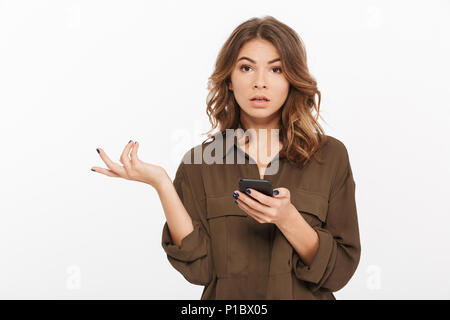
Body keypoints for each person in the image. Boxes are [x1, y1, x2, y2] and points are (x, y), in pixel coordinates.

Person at [91, 15, 361, 300]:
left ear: (292, 79)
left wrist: (288, 219)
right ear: (229, 80)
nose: (260, 83)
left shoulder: (329, 156)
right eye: (246, 68)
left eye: (276, 69)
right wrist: (161, 184)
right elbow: (199, 270)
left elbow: (339, 271)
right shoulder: (200, 163)